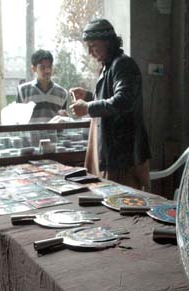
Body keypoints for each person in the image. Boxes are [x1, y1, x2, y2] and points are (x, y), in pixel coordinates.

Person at [69, 18, 152, 191]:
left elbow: (123, 101)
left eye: (93, 46)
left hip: (123, 154)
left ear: (108, 42)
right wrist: (90, 96)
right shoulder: (109, 66)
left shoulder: (123, 64)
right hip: (113, 150)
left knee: (123, 201)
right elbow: (111, 98)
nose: (91, 52)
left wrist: (88, 107)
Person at [16, 49, 68, 123]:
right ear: (34, 69)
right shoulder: (23, 91)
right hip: (30, 134)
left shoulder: (62, 93)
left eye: (49, 67)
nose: (47, 71)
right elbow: (18, 120)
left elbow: (63, 119)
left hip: (54, 134)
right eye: (42, 67)